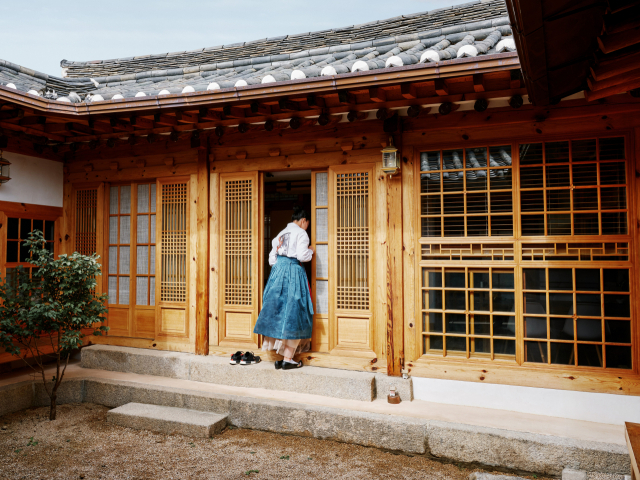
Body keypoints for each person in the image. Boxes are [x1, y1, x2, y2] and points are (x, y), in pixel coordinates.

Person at [253, 206, 314, 370]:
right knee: (296, 312)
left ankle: (283, 357)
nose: (307, 226)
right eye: (307, 223)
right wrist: (311, 251)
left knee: (278, 311)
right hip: (293, 273)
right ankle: (288, 358)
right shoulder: (301, 233)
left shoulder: (280, 234)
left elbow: (272, 259)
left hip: (277, 274)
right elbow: (302, 256)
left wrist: (281, 264)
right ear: (303, 221)